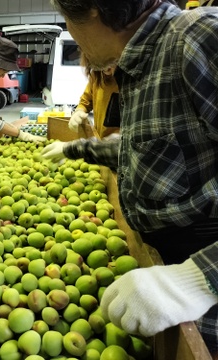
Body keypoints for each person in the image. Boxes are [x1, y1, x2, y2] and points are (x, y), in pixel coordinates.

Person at [43, 0, 218, 351]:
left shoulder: (199, 37)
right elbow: (150, 150)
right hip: (157, 286)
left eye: (66, 19)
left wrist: (200, 277)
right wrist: (77, 149)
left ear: (92, 10)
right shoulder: (142, 64)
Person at [68, 54, 120, 139]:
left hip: (117, 145)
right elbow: (85, 101)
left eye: (112, 62)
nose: (106, 69)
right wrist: (78, 112)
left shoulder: (129, 82)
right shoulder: (97, 75)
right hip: (99, 141)